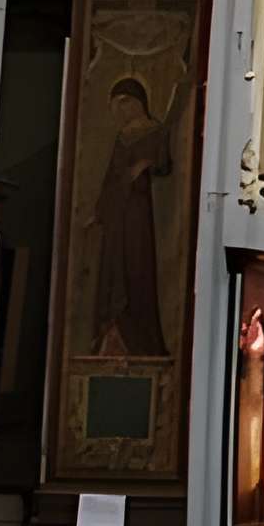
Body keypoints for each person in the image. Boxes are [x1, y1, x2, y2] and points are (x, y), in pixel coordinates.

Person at [89, 74, 175, 357]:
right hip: (118, 213)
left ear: (138, 102)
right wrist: (99, 211)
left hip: (139, 212)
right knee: (114, 269)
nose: (121, 110)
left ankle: (141, 339)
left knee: (136, 269)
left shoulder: (156, 131)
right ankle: (110, 337)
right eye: (117, 105)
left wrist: (146, 163)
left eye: (125, 103)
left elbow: (163, 164)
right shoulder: (122, 137)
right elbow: (111, 177)